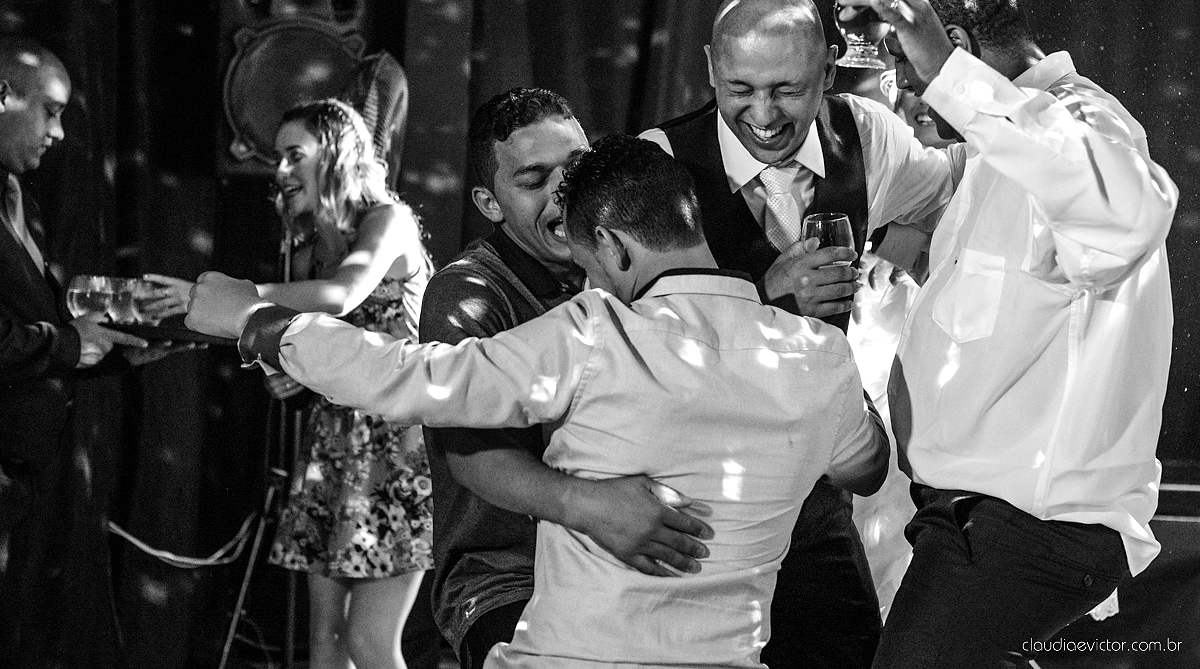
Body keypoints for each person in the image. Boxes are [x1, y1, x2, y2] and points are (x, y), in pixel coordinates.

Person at [185, 133, 891, 669]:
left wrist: (259, 321)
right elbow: (867, 466)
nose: (590, 284)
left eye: (588, 268)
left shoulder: (596, 332)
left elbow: (410, 376)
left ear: (612, 247)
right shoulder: (819, 355)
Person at [837, 0, 1178, 668]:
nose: (902, 88)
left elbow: (1128, 212)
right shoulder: (995, 149)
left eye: (909, 65)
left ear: (952, 45)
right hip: (966, 521)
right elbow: (921, 172)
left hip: (1031, 527)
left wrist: (950, 79)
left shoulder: (1088, 125)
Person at [638, 0, 954, 668]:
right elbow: (634, 346)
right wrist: (766, 299)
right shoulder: (658, 164)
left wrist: (909, 235)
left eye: (786, 89)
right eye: (739, 88)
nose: (762, 114)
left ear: (829, 66)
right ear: (708, 69)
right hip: (700, 494)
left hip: (818, 488)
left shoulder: (865, 134)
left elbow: (960, 181)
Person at [418, 88, 712, 668]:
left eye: (573, 169)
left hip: (628, 571)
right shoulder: (468, 294)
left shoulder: (623, 265)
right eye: (533, 180)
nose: (563, 192)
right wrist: (598, 507)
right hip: (509, 578)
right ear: (489, 201)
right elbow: (476, 459)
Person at [157, 98, 436, 669]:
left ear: (337, 154)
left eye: (293, 156)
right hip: (333, 443)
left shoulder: (389, 219)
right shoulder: (313, 243)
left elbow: (342, 297)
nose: (279, 172)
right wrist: (295, 374)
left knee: (369, 642)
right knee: (325, 642)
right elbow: (330, 347)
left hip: (397, 451)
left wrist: (228, 297)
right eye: (276, 159)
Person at [0, 37, 156, 666]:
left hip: (30, 475)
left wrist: (122, 346)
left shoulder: (22, 204)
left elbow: (34, 322)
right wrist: (69, 344)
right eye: (51, 111)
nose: (60, 133)